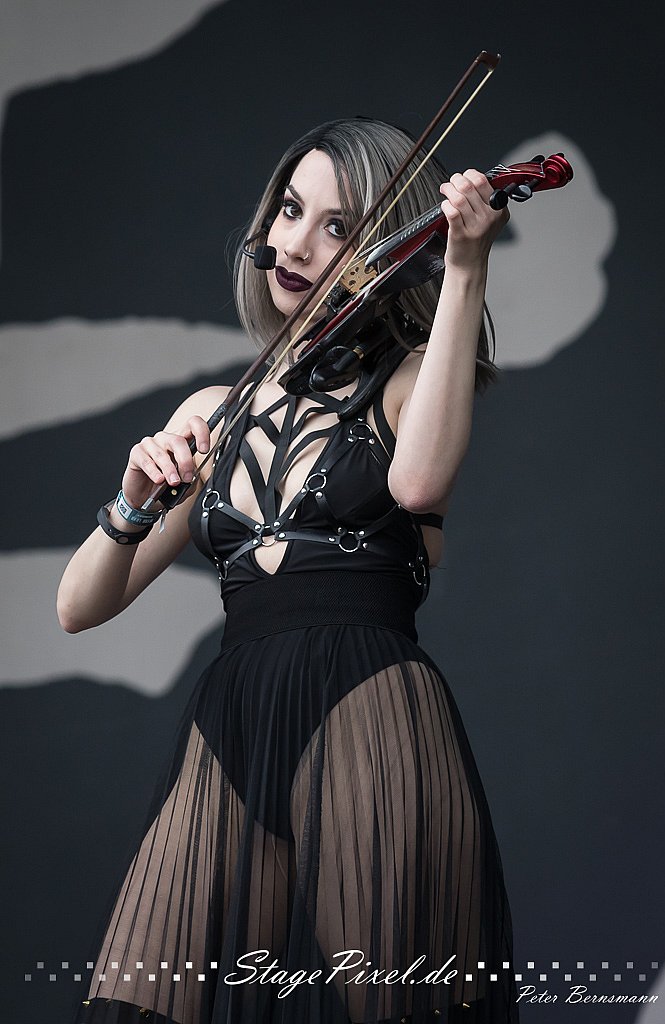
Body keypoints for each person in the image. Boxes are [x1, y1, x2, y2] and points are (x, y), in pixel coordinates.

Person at [58, 117, 518, 1024]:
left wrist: (465, 266)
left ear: (390, 246)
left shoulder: (412, 377)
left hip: (366, 708)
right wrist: (134, 499)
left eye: (339, 226)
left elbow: (418, 483)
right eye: (291, 210)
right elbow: (78, 607)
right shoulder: (214, 410)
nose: (298, 244)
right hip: (232, 719)